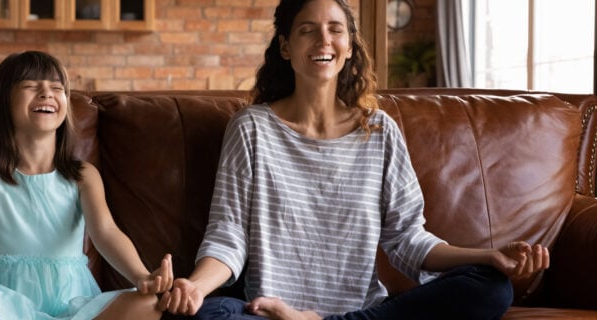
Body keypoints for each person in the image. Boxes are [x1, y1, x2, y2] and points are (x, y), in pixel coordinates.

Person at [159, 0, 549, 319]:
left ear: (348, 46)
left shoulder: (378, 131)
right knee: (213, 314)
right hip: (267, 310)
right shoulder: (251, 128)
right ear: (285, 46)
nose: (322, 39)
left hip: (362, 312)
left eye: (335, 28)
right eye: (307, 29)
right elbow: (229, 237)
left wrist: (489, 257)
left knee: (491, 288)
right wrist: (195, 285)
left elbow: (407, 240)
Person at [0, 50, 173, 320]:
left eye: (57, 88)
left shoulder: (83, 175)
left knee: (147, 304)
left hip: (69, 304)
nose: (47, 93)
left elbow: (105, 232)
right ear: (3, 103)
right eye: (31, 86)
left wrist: (141, 275)